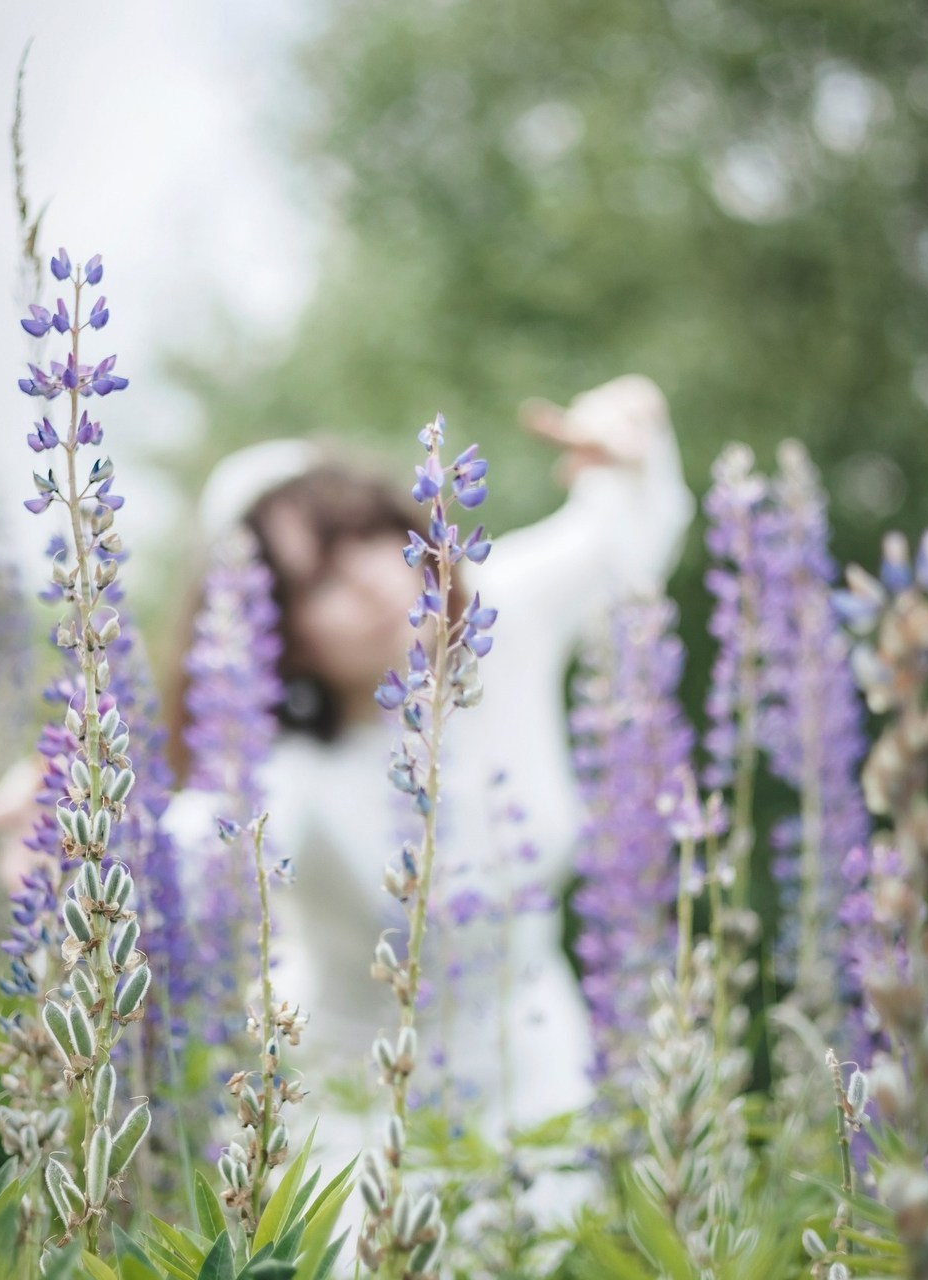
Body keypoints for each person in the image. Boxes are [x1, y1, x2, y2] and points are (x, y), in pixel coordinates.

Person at [166, 375, 695, 1172]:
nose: (372, 582)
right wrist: (90, 824)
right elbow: (203, 843)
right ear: (284, 639)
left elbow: (629, 533)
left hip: (537, 1062)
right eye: (321, 581)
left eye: (372, 538)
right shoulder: (289, 766)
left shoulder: (499, 613)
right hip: (356, 1114)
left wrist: (631, 432)